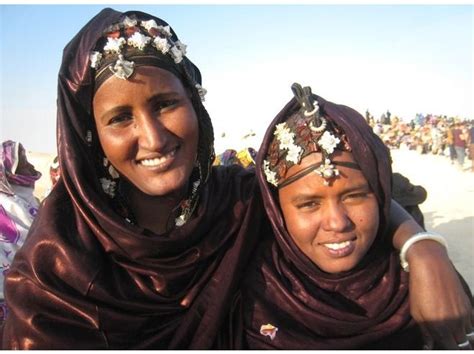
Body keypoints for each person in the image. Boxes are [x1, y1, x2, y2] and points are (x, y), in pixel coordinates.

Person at [1, 8, 472, 349]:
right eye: (120, 118)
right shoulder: (56, 260)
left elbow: (366, 191)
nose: (154, 137)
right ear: (90, 136)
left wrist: (422, 248)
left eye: (166, 104)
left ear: (195, 104)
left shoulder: (238, 200)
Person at [240, 83, 473, 349]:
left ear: (381, 192)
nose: (337, 222)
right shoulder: (252, 289)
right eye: (309, 204)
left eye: (355, 196)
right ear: (276, 208)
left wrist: (424, 249)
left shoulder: (430, 285)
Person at [0, 141, 41, 322]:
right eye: (23, 161)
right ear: (10, 168)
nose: (30, 166)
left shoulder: (30, 199)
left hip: (38, 277)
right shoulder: (5, 204)